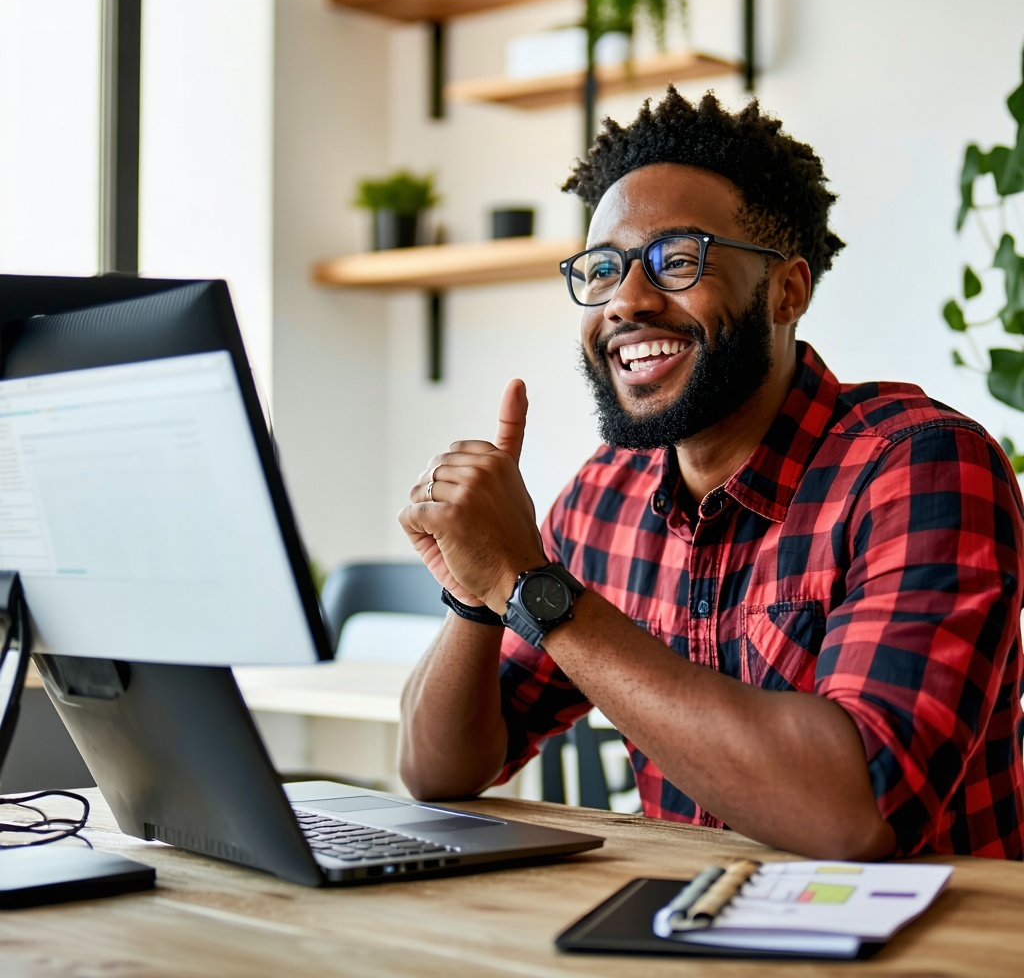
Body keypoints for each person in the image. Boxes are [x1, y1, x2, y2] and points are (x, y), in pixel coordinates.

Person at [397, 88, 1024, 861]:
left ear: (786, 291)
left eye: (677, 260)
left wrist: (534, 585)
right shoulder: (603, 497)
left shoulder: (919, 468)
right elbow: (440, 770)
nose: (626, 299)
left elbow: (855, 813)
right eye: (603, 268)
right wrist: (477, 584)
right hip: (692, 931)